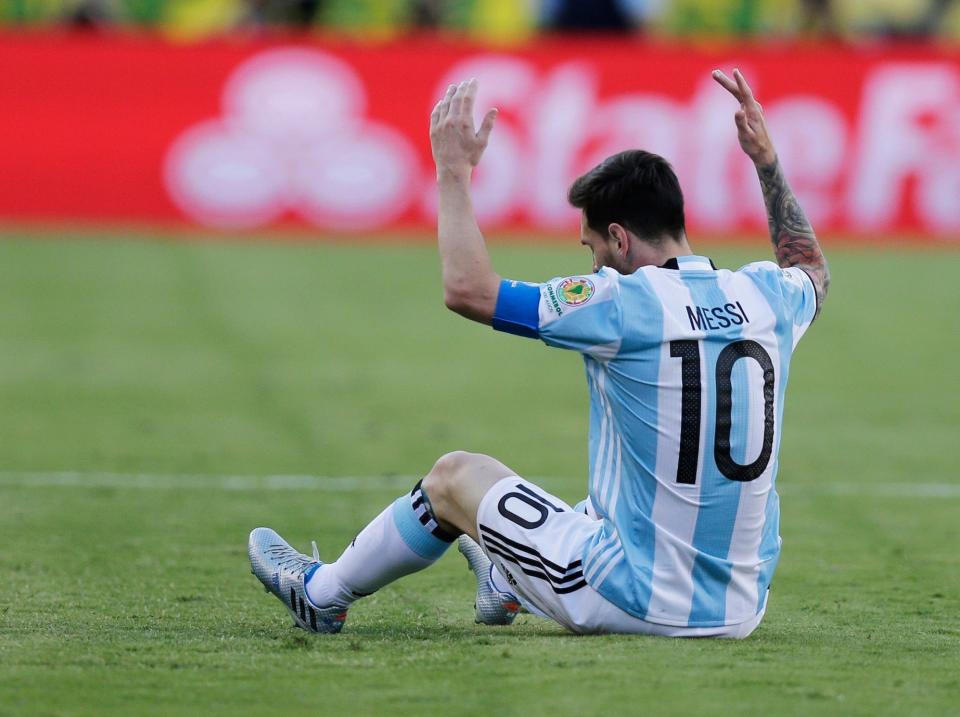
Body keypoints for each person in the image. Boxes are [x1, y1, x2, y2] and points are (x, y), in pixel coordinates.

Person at [248, 69, 829, 637]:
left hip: (636, 598)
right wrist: (766, 161)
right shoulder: (766, 293)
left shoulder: (620, 300)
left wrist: (452, 173)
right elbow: (811, 268)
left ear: (620, 238)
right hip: (741, 607)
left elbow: (469, 291)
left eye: (593, 246)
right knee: (618, 492)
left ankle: (322, 594)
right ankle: (506, 581)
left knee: (453, 478)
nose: (591, 263)